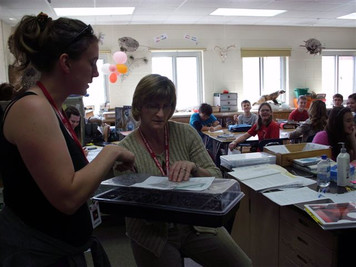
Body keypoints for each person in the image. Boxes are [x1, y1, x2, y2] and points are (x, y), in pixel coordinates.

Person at [0, 12, 135, 266]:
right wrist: (112, 152)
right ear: (66, 62)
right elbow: (68, 197)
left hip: (55, 251)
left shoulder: (52, 108)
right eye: (91, 62)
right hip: (35, 255)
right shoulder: (33, 109)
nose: (96, 73)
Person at [116, 74, 252, 267]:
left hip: (197, 223)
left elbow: (217, 177)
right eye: (154, 106)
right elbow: (131, 205)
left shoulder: (186, 133)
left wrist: (195, 168)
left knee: (243, 264)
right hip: (152, 232)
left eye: (167, 106)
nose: (161, 114)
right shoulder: (125, 150)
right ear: (139, 106)